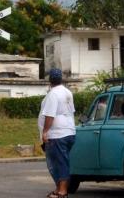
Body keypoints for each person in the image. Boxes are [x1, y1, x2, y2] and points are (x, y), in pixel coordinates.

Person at [39, 68, 76, 198]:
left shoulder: (53, 94)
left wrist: (45, 132)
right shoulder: (67, 92)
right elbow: (71, 111)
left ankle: (62, 191)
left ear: (50, 80)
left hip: (57, 134)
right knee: (60, 161)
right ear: (61, 79)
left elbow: (50, 115)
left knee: (59, 162)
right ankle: (59, 189)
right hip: (69, 131)